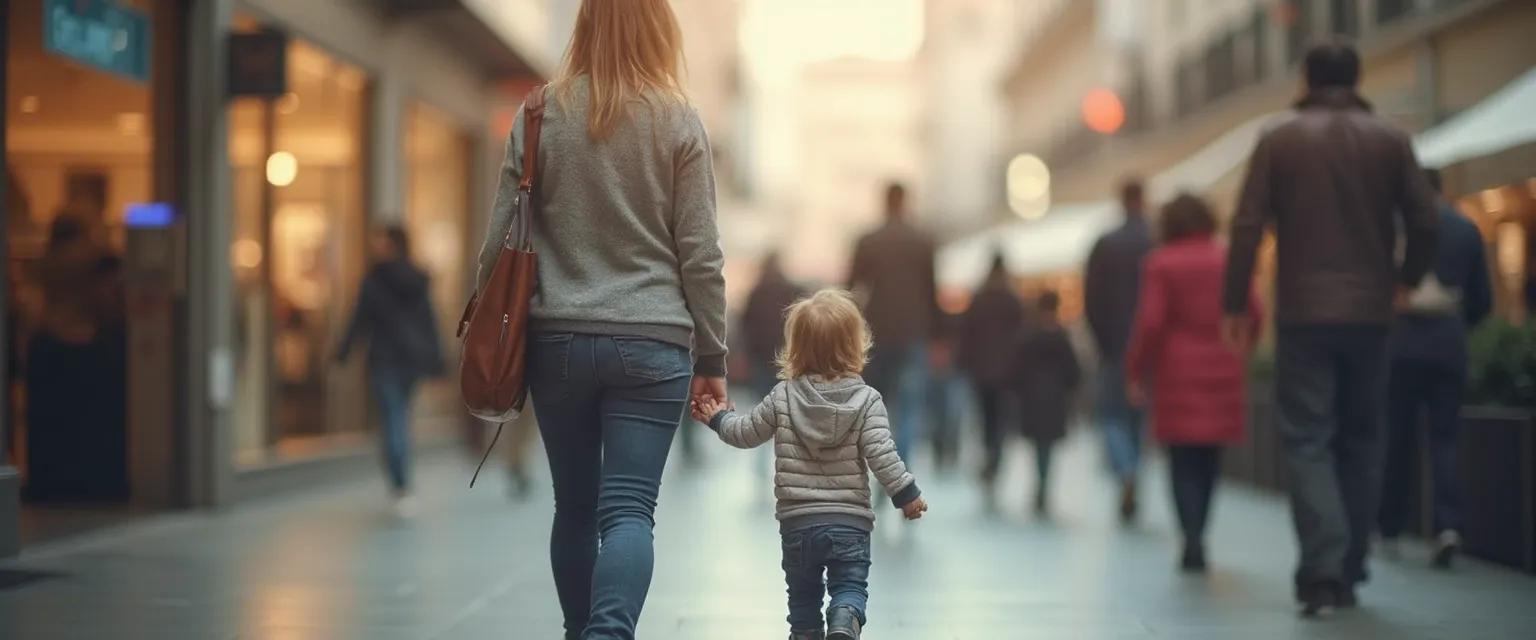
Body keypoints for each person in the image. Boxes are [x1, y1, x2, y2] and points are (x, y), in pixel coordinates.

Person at [474, 1, 728, 636]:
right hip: (653, 344)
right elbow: (701, 253)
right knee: (629, 511)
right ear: (660, 30)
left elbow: (499, 240)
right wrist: (713, 355)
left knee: (576, 508)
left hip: (557, 340)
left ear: (583, 27)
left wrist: (491, 325)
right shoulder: (678, 119)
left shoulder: (540, 112)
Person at [1222, 43, 1438, 615]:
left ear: (1305, 79)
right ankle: (1349, 565)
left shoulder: (1279, 138)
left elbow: (1246, 225)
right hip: (1371, 311)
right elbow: (1426, 217)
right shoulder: (1390, 138)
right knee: (1363, 437)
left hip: (1303, 312)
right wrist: (1406, 278)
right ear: (1358, 78)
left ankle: (1322, 570)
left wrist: (1235, 303)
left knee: (1308, 439)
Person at [693, 290, 927, 640]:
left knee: (802, 601)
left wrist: (717, 418)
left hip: (798, 523)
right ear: (855, 345)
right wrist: (907, 496)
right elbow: (883, 455)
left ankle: (805, 633)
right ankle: (844, 619)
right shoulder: (868, 401)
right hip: (849, 521)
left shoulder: (782, 396)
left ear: (796, 347)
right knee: (850, 587)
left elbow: (746, 433)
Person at [1126, 195, 1262, 573]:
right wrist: (1243, 349)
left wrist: (1136, 370)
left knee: (1181, 458)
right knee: (1209, 457)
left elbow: (1151, 322)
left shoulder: (1161, 262)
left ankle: (1190, 535)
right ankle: (1201, 529)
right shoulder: (1226, 257)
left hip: (1176, 370)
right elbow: (1254, 311)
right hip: (1223, 365)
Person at [1378, 168, 1492, 569]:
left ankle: (1391, 526)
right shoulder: (1466, 228)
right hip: (1448, 342)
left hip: (1401, 343)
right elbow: (1482, 299)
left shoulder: (1394, 228)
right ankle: (1448, 525)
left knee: (1398, 438)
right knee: (1446, 438)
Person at [336, 226, 445, 514]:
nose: (377, 248)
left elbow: (358, 319)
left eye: (382, 243)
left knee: (393, 420)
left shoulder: (375, 280)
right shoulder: (416, 278)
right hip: (409, 360)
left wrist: (343, 353)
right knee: (399, 419)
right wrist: (437, 360)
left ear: (394, 245)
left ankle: (400, 484)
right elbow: (429, 321)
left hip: (387, 360)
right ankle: (401, 484)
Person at [848, 182, 940, 464]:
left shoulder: (868, 241)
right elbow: (932, 293)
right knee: (909, 405)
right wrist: (938, 335)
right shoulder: (923, 241)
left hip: (877, 332)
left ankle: (880, 461)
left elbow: (851, 288)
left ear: (885, 201)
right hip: (913, 332)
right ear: (905, 202)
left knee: (878, 403)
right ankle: (901, 464)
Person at [1084, 179, 1154, 521]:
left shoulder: (1106, 243)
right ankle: (1134, 468)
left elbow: (1091, 299)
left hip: (1113, 346)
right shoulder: (1156, 240)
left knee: (1111, 416)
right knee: (1139, 418)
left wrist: (1102, 341)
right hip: (1149, 347)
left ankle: (1125, 469)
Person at [956, 253, 1024, 503]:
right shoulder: (1013, 300)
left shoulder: (979, 298)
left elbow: (967, 333)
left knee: (986, 417)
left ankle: (988, 454)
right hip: (1007, 371)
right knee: (1001, 418)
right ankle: (995, 457)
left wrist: (963, 362)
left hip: (981, 369)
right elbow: (1021, 336)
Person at [1013, 290, 1081, 516]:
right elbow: (1073, 372)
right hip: (1054, 400)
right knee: (1047, 448)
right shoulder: (1061, 337)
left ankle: (1040, 485)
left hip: (1033, 399)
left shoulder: (1029, 335)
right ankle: (1043, 485)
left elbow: (1017, 368)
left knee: (1038, 448)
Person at [742, 252, 805, 398]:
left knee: (763, 397)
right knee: (786, 395)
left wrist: (748, 351)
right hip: (786, 350)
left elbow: (746, 323)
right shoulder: (791, 290)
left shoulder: (756, 293)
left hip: (761, 353)